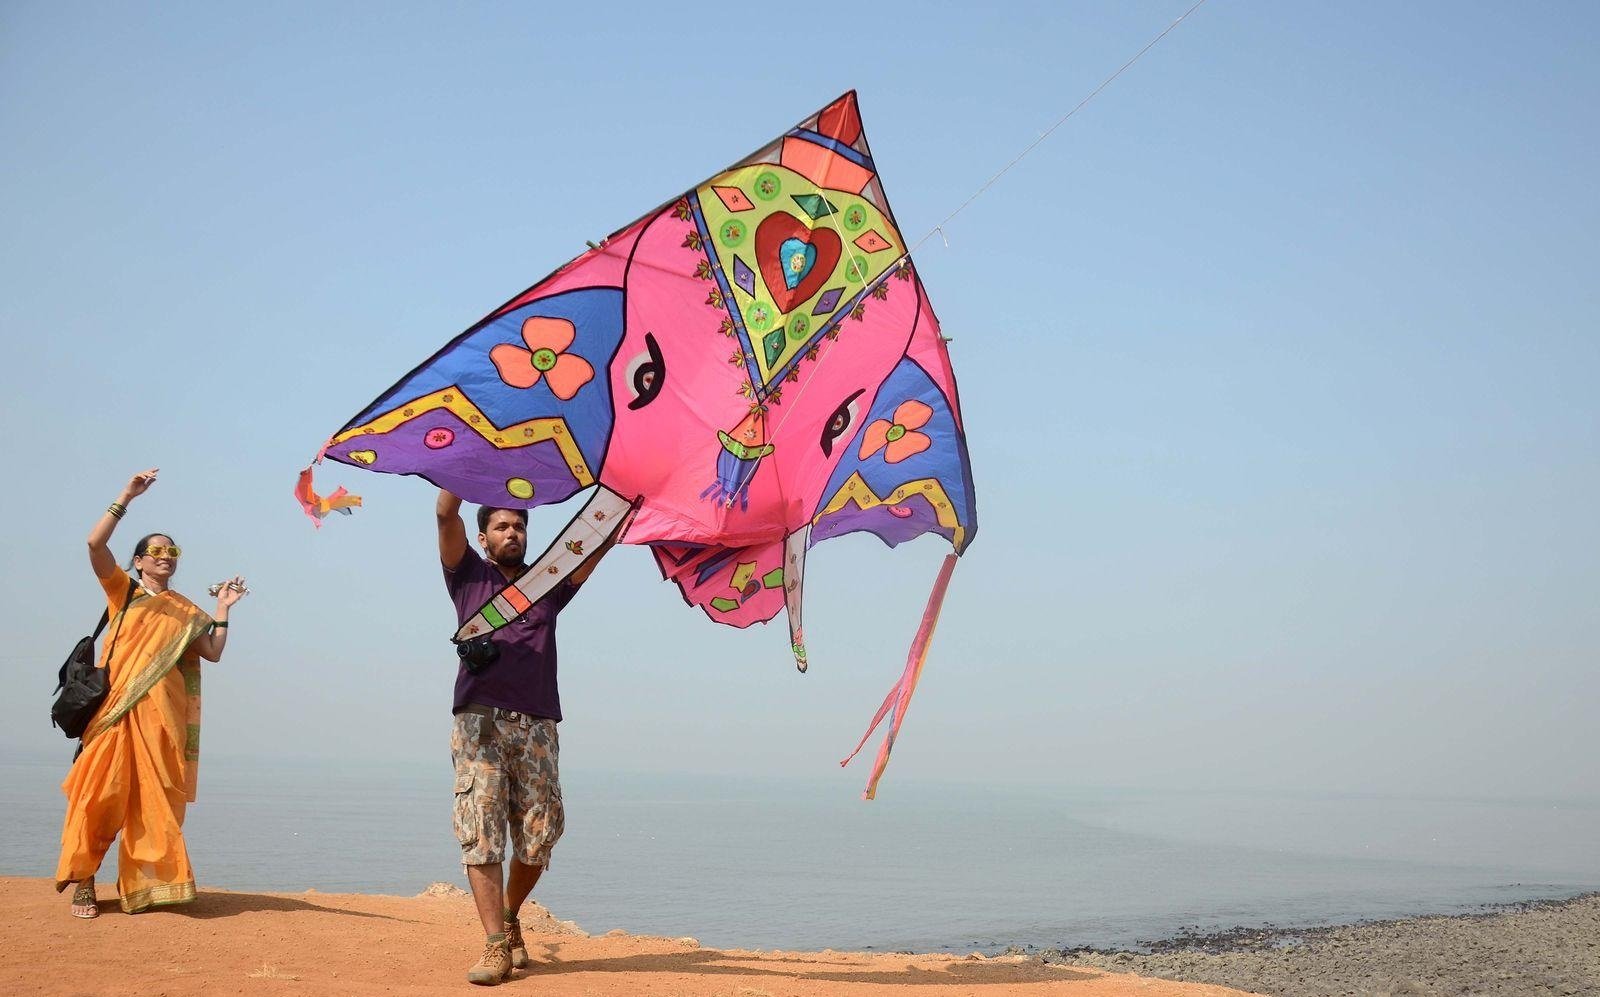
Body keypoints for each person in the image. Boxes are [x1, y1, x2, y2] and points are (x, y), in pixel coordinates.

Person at [437, 489, 611, 986]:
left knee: (539, 836)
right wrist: (466, 464)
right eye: (502, 527)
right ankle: (495, 945)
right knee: (481, 829)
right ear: (483, 537)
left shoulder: (547, 582)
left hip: (537, 722)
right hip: (479, 721)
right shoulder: (467, 574)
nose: (512, 533)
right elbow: (444, 512)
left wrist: (628, 494)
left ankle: (510, 915)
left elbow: (595, 547)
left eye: (519, 526)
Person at [55, 468, 248, 917]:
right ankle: (84, 880)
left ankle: (144, 888)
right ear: (139, 561)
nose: (165, 556)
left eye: (171, 551)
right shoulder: (123, 591)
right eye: (155, 551)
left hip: (163, 718)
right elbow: (94, 545)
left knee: (154, 801)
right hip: (114, 714)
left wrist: (222, 608)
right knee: (99, 795)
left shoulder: (184, 609)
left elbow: (213, 652)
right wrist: (126, 495)